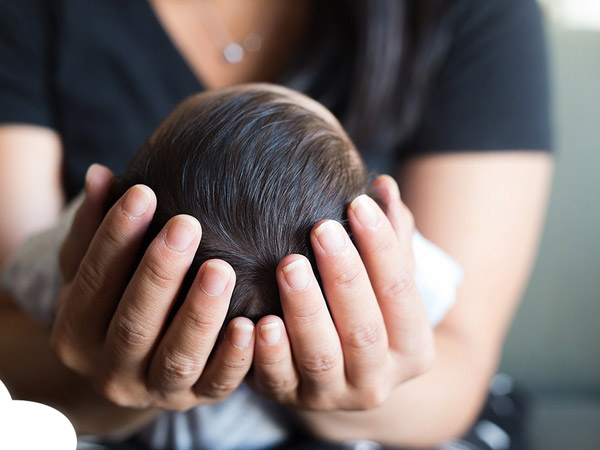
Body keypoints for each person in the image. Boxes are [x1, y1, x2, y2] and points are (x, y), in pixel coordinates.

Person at [0, 0, 553, 449]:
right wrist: (88, 380)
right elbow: (438, 296)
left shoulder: (474, 12)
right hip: (86, 412)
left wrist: (373, 387)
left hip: (382, 423)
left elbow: (457, 368)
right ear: (375, 212)